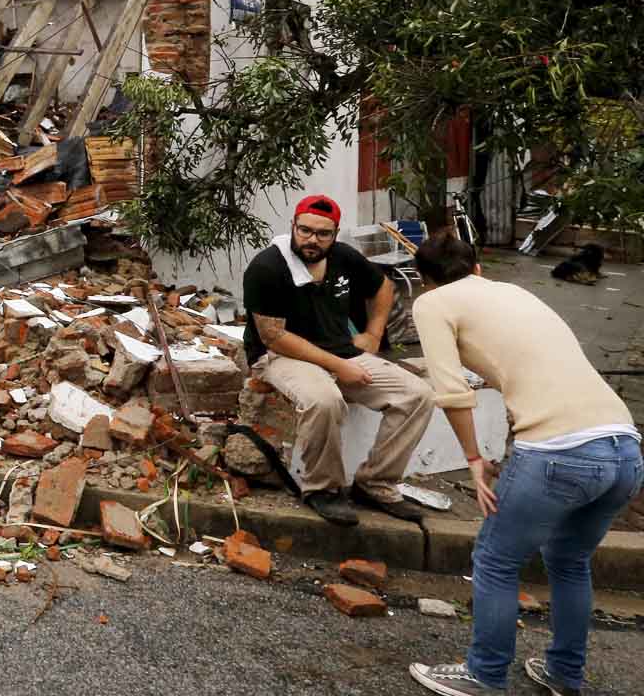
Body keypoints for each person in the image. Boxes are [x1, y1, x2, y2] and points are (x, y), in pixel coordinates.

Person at [407, 235, 643, 696]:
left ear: (424, 281)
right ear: (477, 269)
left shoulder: (432, 303)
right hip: (624, 444)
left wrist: (474, 459)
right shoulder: (515, 292)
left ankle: (485, 675)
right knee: (570, 560)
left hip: (559, 450)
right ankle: (563, 674)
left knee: (495, 559)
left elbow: (453, 392)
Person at [241, 194, 434, 525]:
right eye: (305, 230)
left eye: (322, 233)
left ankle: (375, 482)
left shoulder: (344, 257)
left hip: (341, 350)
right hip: (281, 355)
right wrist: (339, 367)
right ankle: (322, 489)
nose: (312, 240)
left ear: (335, 233)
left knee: (418, 395)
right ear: (293, 227)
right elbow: (274, 336)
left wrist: (373, 335)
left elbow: (384, 286)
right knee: (325, 400)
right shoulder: (267, 267)